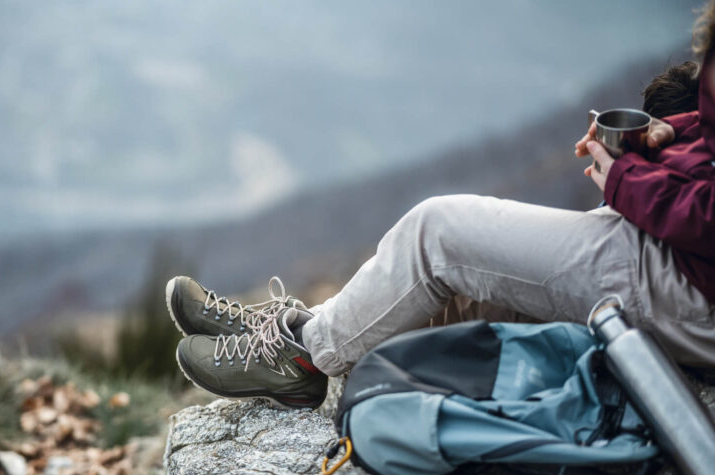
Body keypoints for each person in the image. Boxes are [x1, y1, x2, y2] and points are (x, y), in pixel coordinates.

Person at [167, 9, 715, 410]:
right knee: (478, 280)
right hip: (680, 262)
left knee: (438, 233)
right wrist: (675, 134)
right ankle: (301, 330)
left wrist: (627, 180)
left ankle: (302, 356)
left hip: (692, 288)